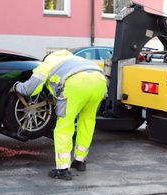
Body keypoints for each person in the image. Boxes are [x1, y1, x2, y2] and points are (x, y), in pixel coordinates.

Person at [13, 50, 107, 180]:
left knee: (64, 126)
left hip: (76, 83)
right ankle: (80, 161)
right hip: (99, 81)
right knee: (87, 122)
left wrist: (16, 86)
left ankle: (62, 170)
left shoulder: (47, 63)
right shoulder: (74, 59)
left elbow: (30, 89)